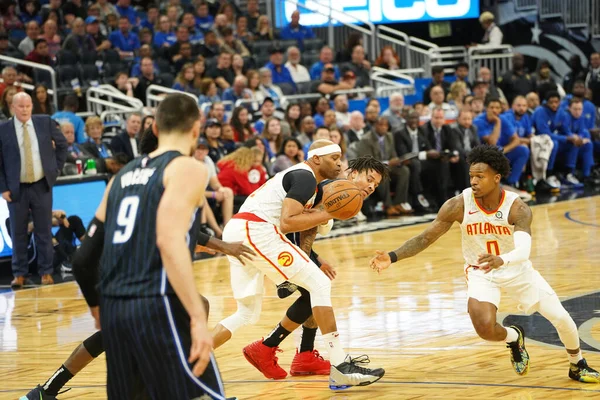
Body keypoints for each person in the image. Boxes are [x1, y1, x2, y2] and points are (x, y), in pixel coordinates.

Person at [22, 115, 253, 400]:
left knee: (116, 334)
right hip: (133, 272)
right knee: (185, 315)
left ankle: (47, 389)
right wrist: (223, 246)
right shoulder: (166, 176)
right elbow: (175, 232)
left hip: (112, 269)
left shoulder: (128, 176)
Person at [370, 144, 600, 384]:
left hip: (516, 269)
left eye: (480, 176)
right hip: (481, 271)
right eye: (471, 176)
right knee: (484, 328)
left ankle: (577, 364)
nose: (474, 181)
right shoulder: (458, 204)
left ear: (496, 178)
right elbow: (425, 237)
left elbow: (524, 250)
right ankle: (513, 337)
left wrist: (503, 259)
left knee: (561, 318)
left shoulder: (516, 207)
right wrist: (392, 256)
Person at [211, 140, 386, 389]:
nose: (371, 186)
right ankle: (340, 366)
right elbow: (288, 223)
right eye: (369, 179)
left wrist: (311, 259)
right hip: (257, 231)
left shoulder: (313, 184)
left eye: (375, 185)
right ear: (316, 159)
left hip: (242, 231)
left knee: (247, 312)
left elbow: (306, 229)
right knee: (318, 285)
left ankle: (188, 361)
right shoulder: (308, 179)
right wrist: (328, 216)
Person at [0, 93, 67, 288]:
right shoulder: (3, 129)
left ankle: (46, 272)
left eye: (28, 106)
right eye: (21, 106)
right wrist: (3, 187)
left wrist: (55, 170)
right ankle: (20, 274)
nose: (25, 109)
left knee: (44, 230)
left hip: (41, 184)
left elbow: (62, 145)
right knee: (18, 232)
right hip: (16, 188)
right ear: (13, 107)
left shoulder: (44, 122)